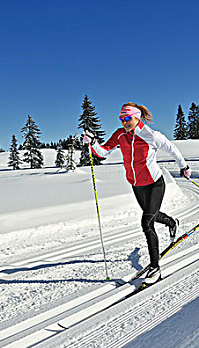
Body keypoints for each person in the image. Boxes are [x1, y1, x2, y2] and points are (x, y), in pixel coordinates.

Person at [82, 102, 191, 284]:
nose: (124, 122)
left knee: (146, 222)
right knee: (152, 215)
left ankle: (155, 267)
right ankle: (172, 222)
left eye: (127, 118)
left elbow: (172, 149)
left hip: (155, 183)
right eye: (121, 119)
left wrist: (184, 166)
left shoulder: (151, 135)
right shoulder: (120, 135)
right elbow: (103, 152)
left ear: (136, 117)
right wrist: (93, 143)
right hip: (136, 185)